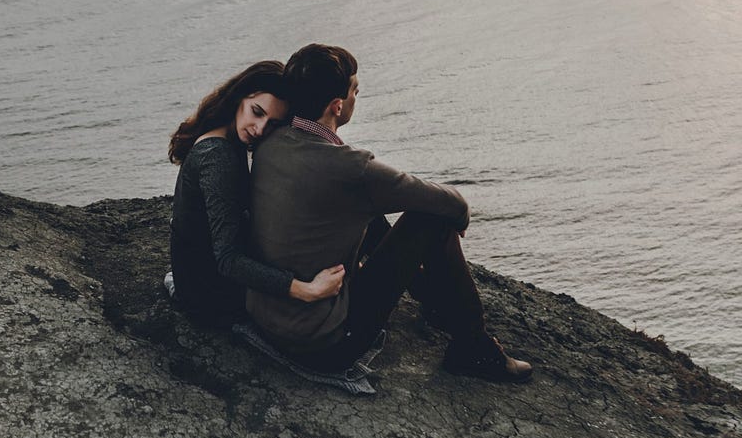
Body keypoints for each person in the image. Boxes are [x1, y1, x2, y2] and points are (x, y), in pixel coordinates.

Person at [247, 44, 531, 382]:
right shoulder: (352, 168)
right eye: (355, 91)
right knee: (431, 220)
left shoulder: (269, 140)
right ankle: (474, 348)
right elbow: (452, 205)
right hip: (325, 344)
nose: (356, 97)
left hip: (266, 319)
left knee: (368, 211)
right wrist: (457, 219)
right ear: (337, 106)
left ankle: (438, 307)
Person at [167, 61, 346, 326]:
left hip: (193, 274)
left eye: (273, 123)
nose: (260, 129)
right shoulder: (218, 156)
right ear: (240, 96)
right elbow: (228, 260)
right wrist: (306, 291)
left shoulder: (226, 136)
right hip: (208, 296)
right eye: (257, 112)